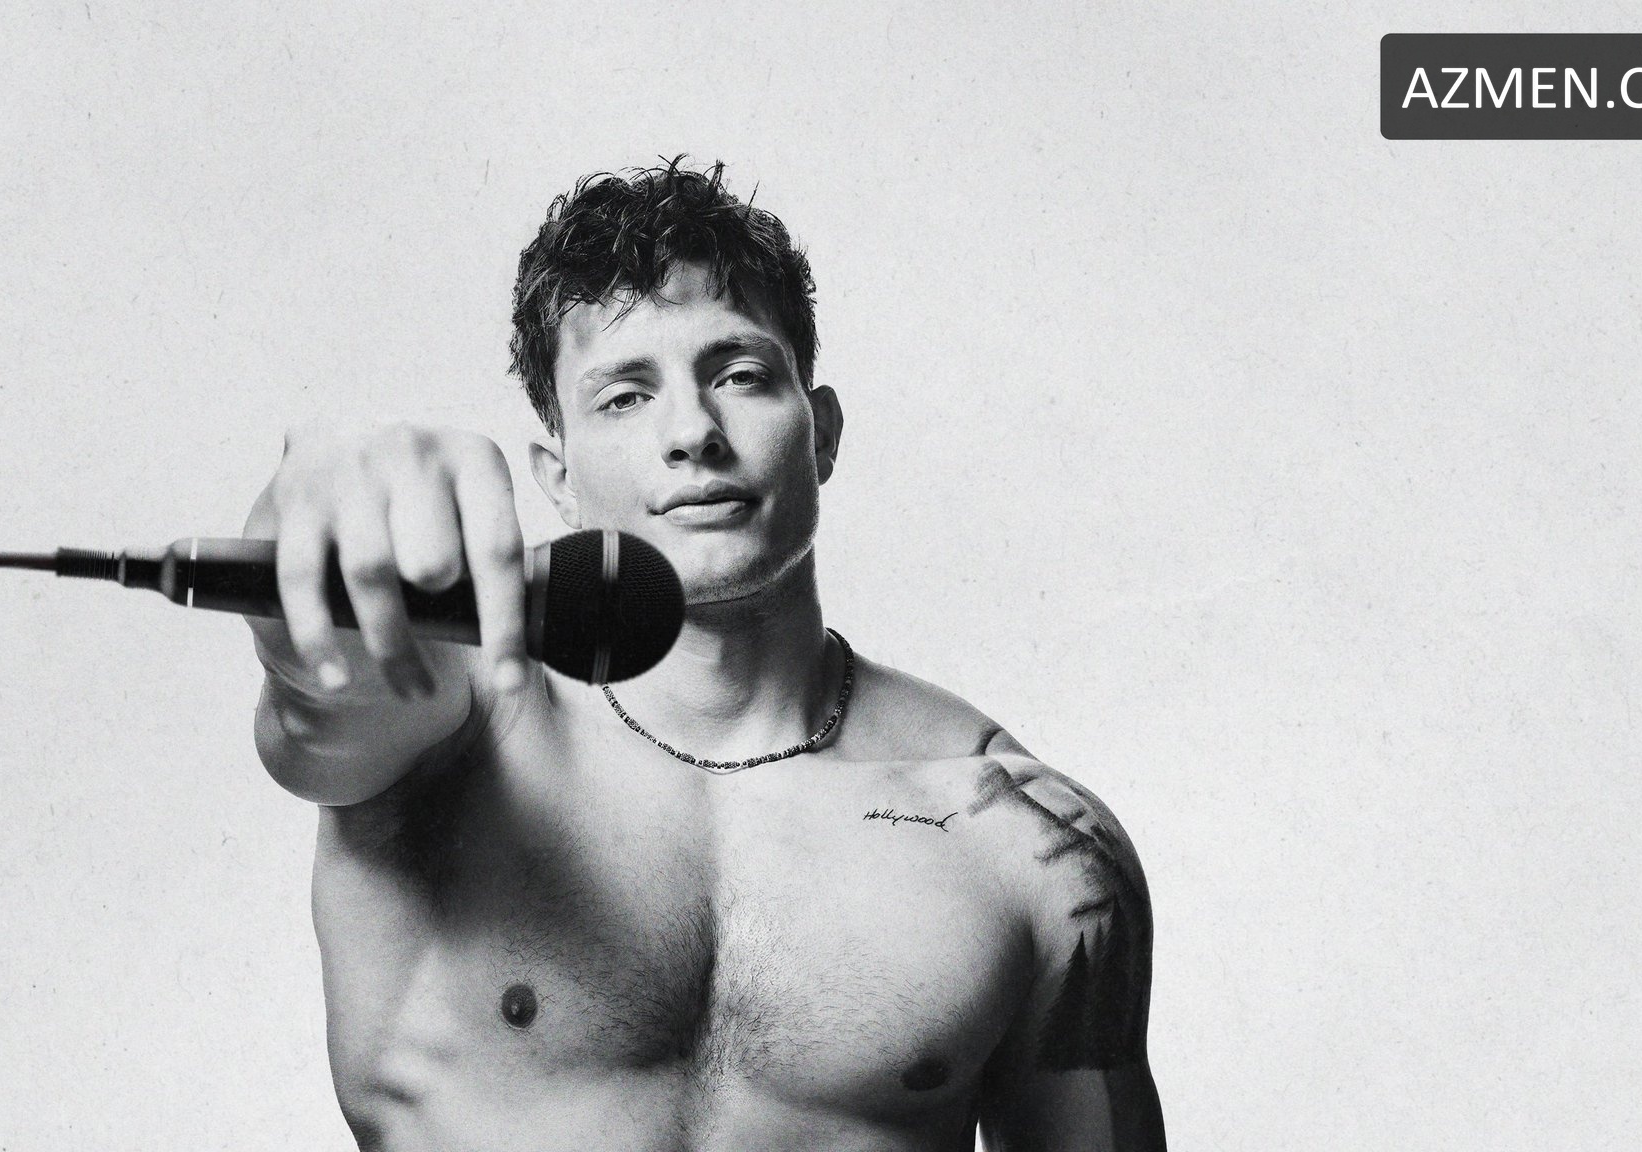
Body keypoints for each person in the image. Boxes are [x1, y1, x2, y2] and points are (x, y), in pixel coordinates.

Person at [241, 158, 1165, 1150]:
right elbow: (318, 683)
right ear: (555, 476)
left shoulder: (1019, 835)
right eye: (624, 397)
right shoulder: (451, 729)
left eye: (738, 375)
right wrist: (313, 519)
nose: (691, 432)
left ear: (822, 434)